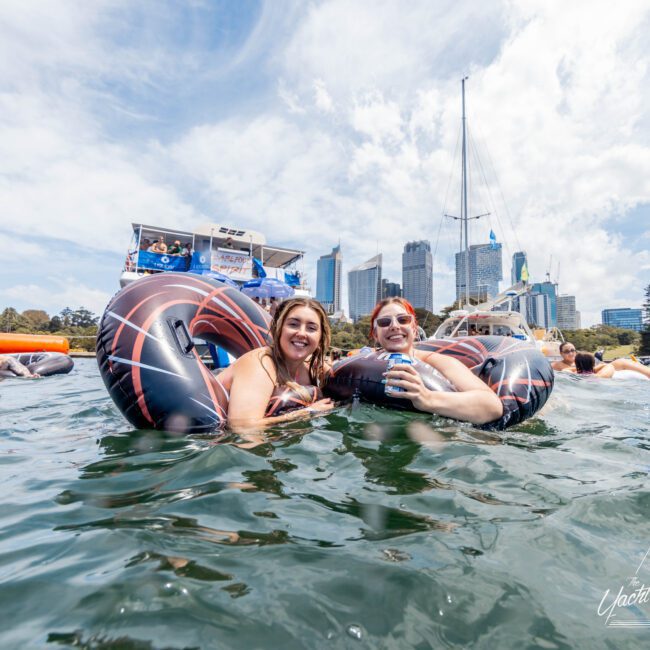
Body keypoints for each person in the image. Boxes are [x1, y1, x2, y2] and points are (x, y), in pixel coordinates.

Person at [370, 298, 503, 425]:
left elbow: (492, 406)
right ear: (375, 334)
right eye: (384, 322)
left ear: (414, 330)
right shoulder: (364, 362)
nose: (394, 326)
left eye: (403, 320)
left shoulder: (441, 362)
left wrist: (427, 398)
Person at [218, 297, 334, 429]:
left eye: (311, 328)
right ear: (278, 329)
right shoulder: (259, 364)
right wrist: (307, 413)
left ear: (320, 338)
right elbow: (243, 428)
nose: (301, 333)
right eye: (293, 324)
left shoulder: (310, 368)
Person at [553, 341, 650, 378]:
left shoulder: (580, 360)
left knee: (621, 362)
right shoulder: (557, 365)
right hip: (599, 374)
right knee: (620, 362)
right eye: (567, 351)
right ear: (561, 353)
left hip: (599, 370)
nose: (571, 353)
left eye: (573, 350)